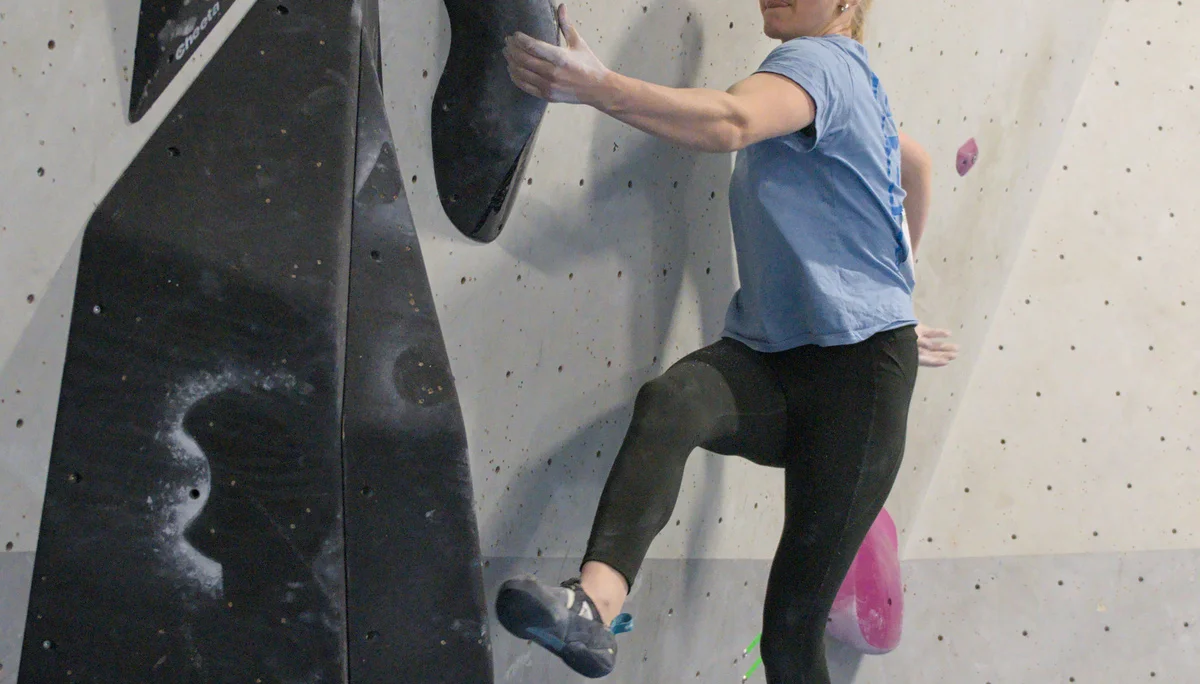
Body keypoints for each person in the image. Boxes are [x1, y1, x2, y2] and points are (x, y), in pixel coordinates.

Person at [495, 1, 958, 681]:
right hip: (774, 361)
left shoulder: (820, 61)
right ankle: (593, 606)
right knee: (675, 400)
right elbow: (915, 164)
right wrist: (896, 286)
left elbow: (732, 121)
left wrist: (598, 87)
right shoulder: (851, 82)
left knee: (791, 635)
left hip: (856, 383)